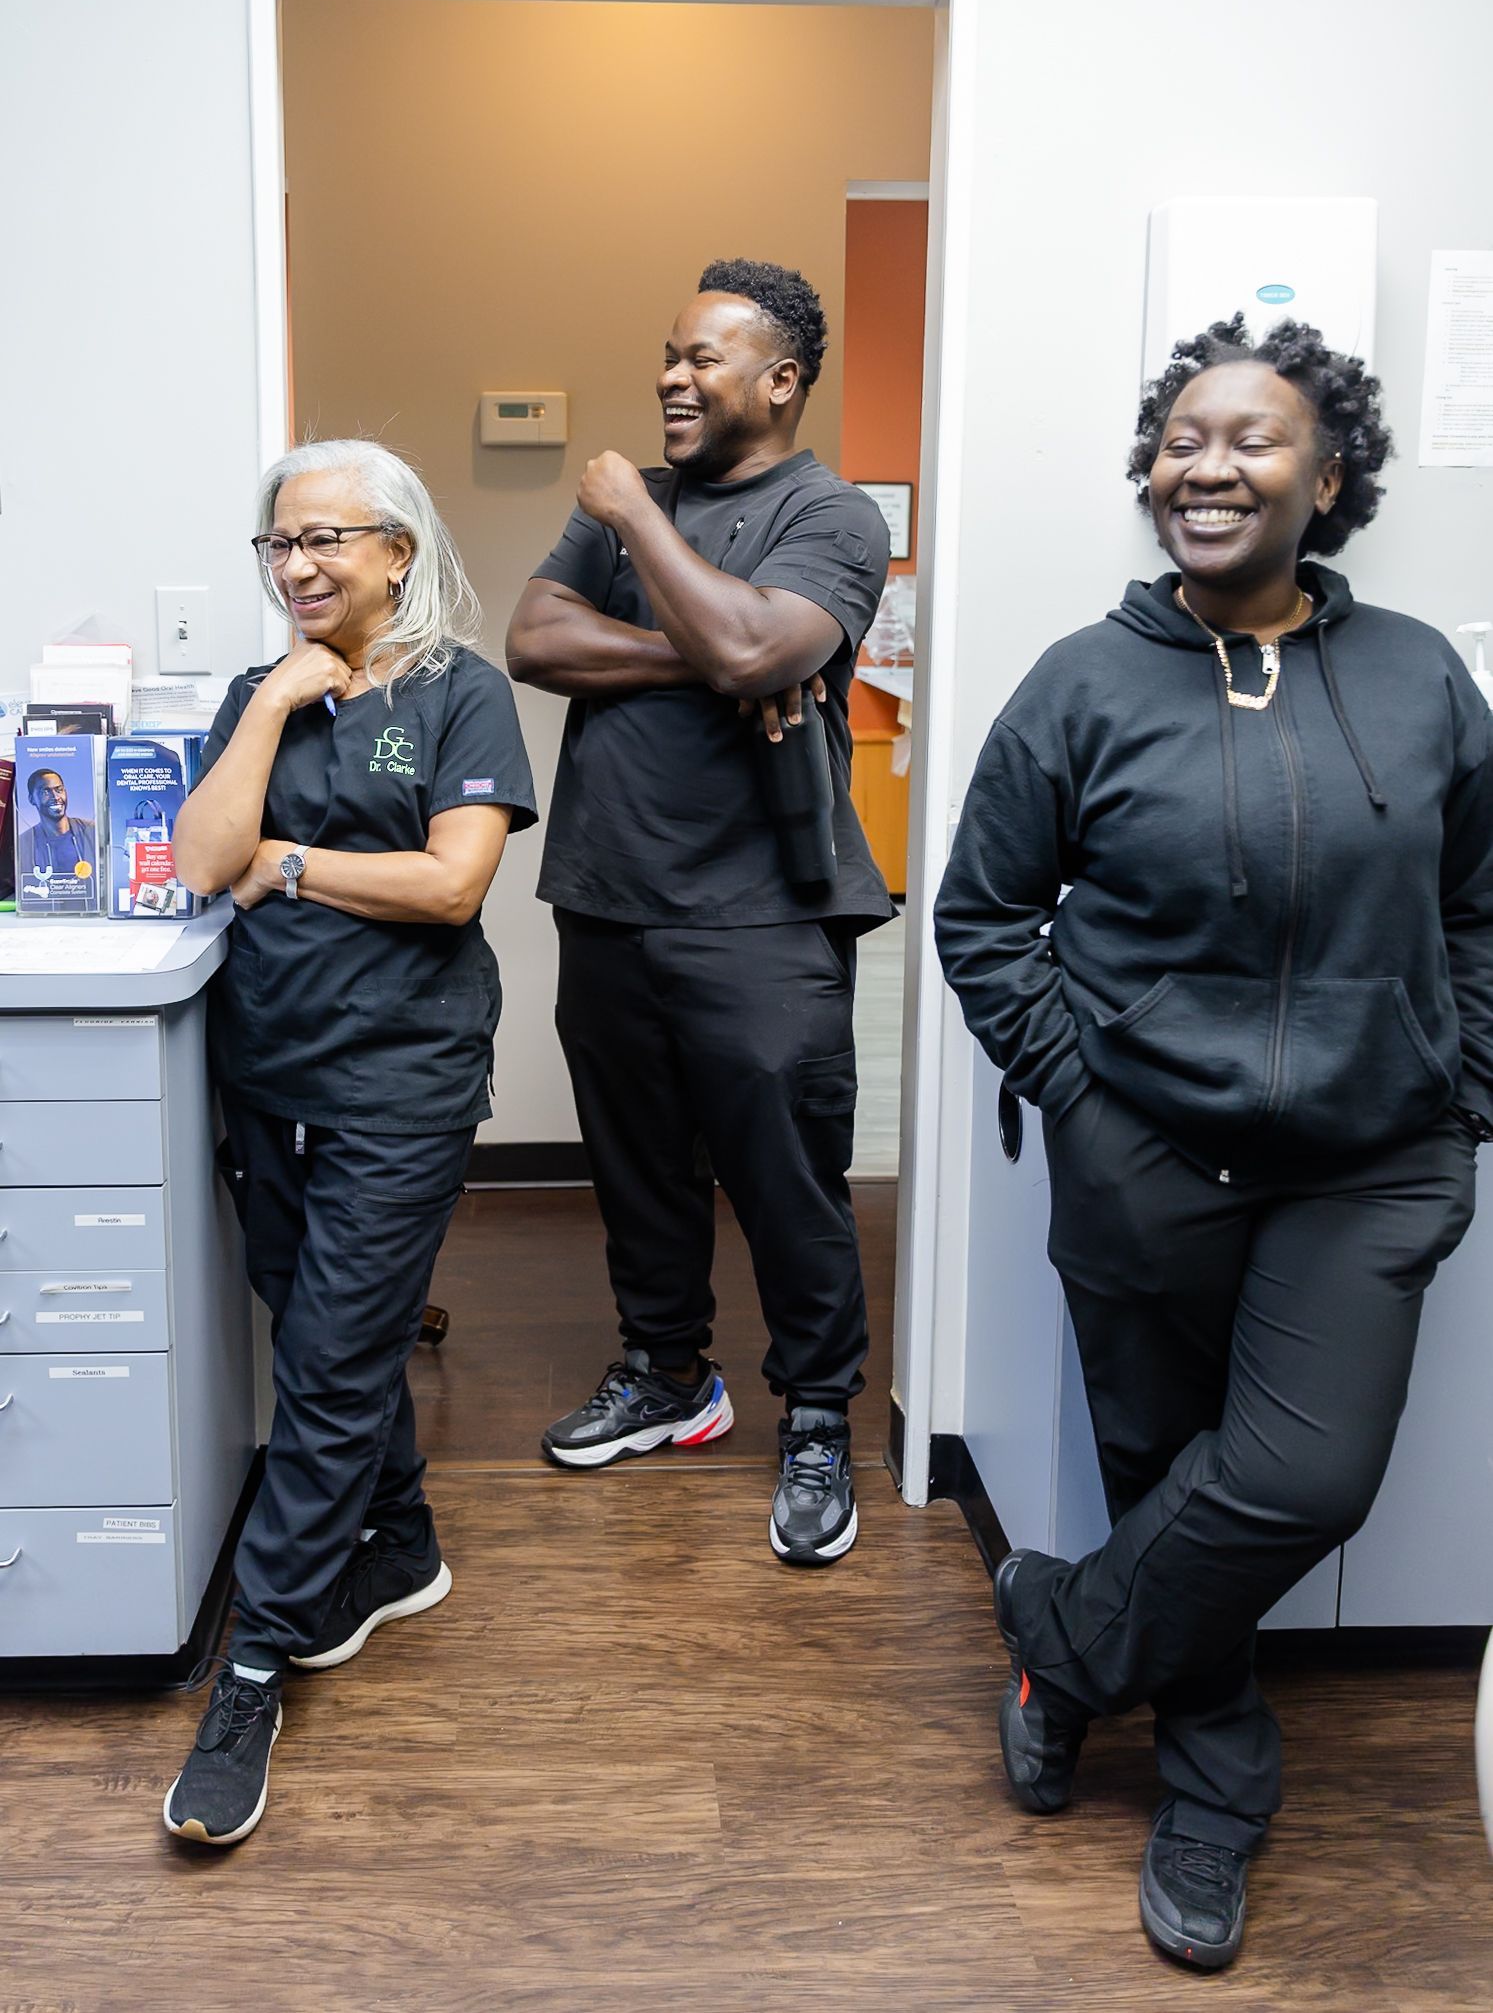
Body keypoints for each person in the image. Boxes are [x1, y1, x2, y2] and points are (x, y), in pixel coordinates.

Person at [934, 317, 1493, 1969]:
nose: (1208, 465)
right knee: (1163, 1468)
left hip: (1370, 1156)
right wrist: (1081, 1095)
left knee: (1302, 1476)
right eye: (1181, 437)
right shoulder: (1080, 681)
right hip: (1145, 1156)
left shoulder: (1417, 675)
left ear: (1327, 476)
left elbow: (1478, 906)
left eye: (1251, 439)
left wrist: (1463, 1091)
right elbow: (981, 917)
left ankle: (1060, 1640)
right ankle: (1210, 1782)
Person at [163, 438, 536, 1845]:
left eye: (328, 537)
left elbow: (452, 883)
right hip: (267, 1072)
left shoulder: (458, 692)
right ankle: (401, 1541)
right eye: (280, 542)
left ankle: (253, 1667)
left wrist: (296, 864)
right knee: (321, 1323)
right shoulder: (252, 694)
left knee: (323, 1365)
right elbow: (202, 859)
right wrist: (272, 704)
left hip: (401, 1078)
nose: (300, 563)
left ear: (398, 549)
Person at [506, 258, 892, 1564]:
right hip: (607, 892)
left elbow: (759, 648)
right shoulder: (644, 507)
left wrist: (633, 514)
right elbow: (536, 640)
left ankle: (818, 1412)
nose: (670, 377)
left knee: (787, 1183)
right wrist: (710, 655)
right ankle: (667, 1372)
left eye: (700, 359)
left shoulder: (827, 514)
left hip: (762, 910)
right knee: (636, 1166)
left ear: (779, 381)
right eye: (667, 355)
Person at [17, 767, 97, 879]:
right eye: (45, 792)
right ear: (32, 799)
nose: (55, 797)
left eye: (59, 790)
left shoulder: (91, 831)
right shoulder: (23, 844)